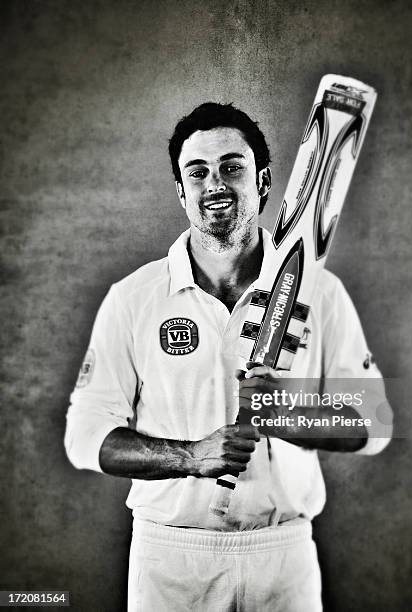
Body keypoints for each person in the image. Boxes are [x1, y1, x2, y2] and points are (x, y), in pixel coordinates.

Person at [65, 102, 393, 611]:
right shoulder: (134, 298)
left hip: (282, 557)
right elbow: (85, 437)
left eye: (231, 167)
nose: (214, 183)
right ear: (181, 191)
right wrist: (190, 457)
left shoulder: (320, 293)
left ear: (262, 181)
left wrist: (288, 415)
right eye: (197, 172)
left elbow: (374, 423)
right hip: (171, 562)